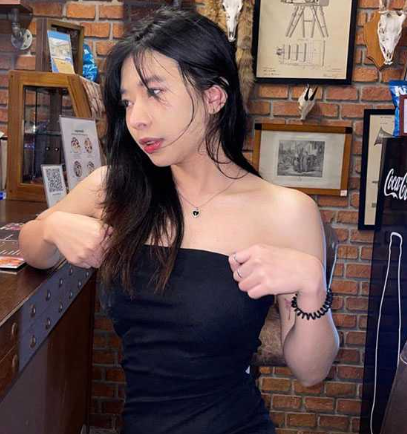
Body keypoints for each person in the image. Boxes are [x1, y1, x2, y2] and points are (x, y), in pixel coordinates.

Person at [18, 7, 339, 434]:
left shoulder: (287, 211)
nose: (136, 118)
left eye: (155, 92)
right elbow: (31, 247)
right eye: (128, 101)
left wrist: (313, 287)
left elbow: (312, 371)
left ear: (214, 97)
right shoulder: (114, 188)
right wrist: (52, 227)